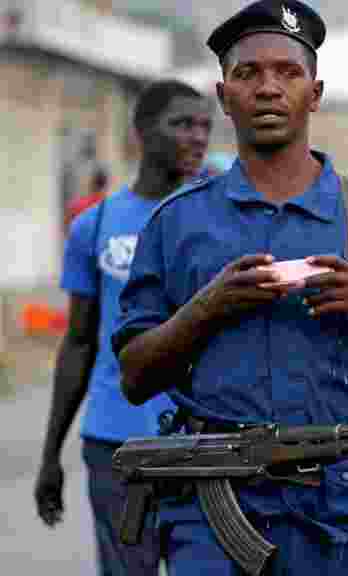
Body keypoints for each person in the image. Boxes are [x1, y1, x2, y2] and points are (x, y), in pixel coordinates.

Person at [110, 2, 348, 574]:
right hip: (216, 512)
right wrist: (208, 308)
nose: (268, 89)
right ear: (224, 97)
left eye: (287, 73)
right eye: (248, 74)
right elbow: (135, 378)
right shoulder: (178, 225)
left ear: (314, 93)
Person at [34, 80, 212, 576]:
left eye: (204, 126)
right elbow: (79, 342)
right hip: (116, 445)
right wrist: (52, 455)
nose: (197, 137)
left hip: (203, 443)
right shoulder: (96, 226)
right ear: (140, 132)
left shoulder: (218, 220)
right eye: (181, 124)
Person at [65, 166, 110, 233]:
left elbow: (67, 228)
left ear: (91, 183)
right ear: (106, 184)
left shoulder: (77, 205)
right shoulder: (110, 207)